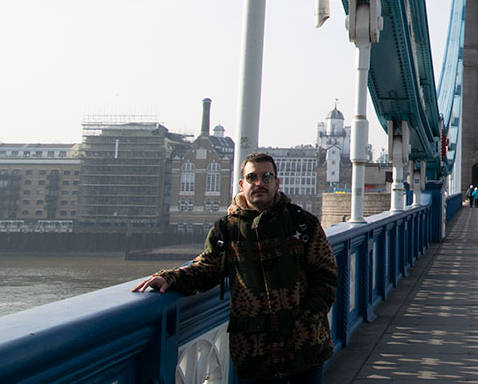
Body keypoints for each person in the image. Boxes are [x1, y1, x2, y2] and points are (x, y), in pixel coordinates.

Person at [132, 152, 337, 384]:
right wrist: (170, 278)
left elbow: (326, 275)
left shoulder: (303, 223)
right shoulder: (226, 230)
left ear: (277, 182)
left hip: (305, 344)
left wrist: (307, 318)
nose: (259, 183)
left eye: (266, 176)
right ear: (242, 184)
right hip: (254, 350)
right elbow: (207, 268)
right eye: (252, 177)